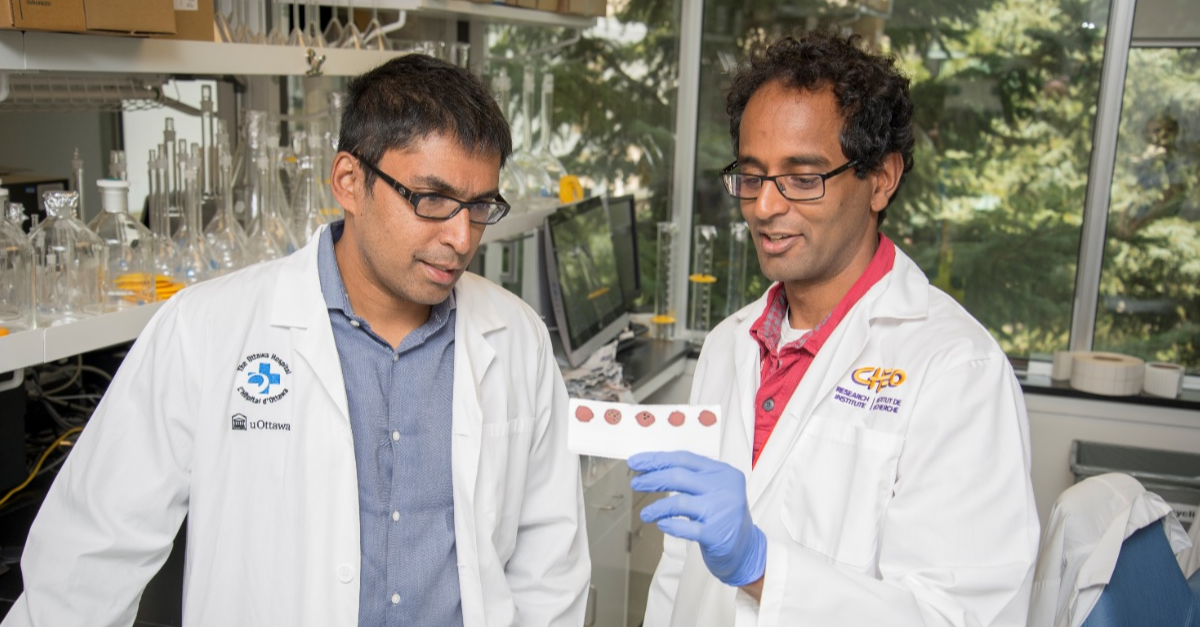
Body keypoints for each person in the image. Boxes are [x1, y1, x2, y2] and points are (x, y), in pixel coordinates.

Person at [3, 54, 589, 626]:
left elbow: (550, 565)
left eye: (480, 205)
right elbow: (90, 556)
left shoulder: (516, 339)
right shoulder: (207, 329)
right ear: (349, 181)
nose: (461, 237)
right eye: (431, 199)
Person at [629, 31, 1039, 626]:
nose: (765, 206)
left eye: (802, 177)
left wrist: (760, 565)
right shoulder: (728, 346)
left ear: (881, 179)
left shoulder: (956, 372)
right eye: (752, 175)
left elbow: (961, 617)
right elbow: (679, 567)